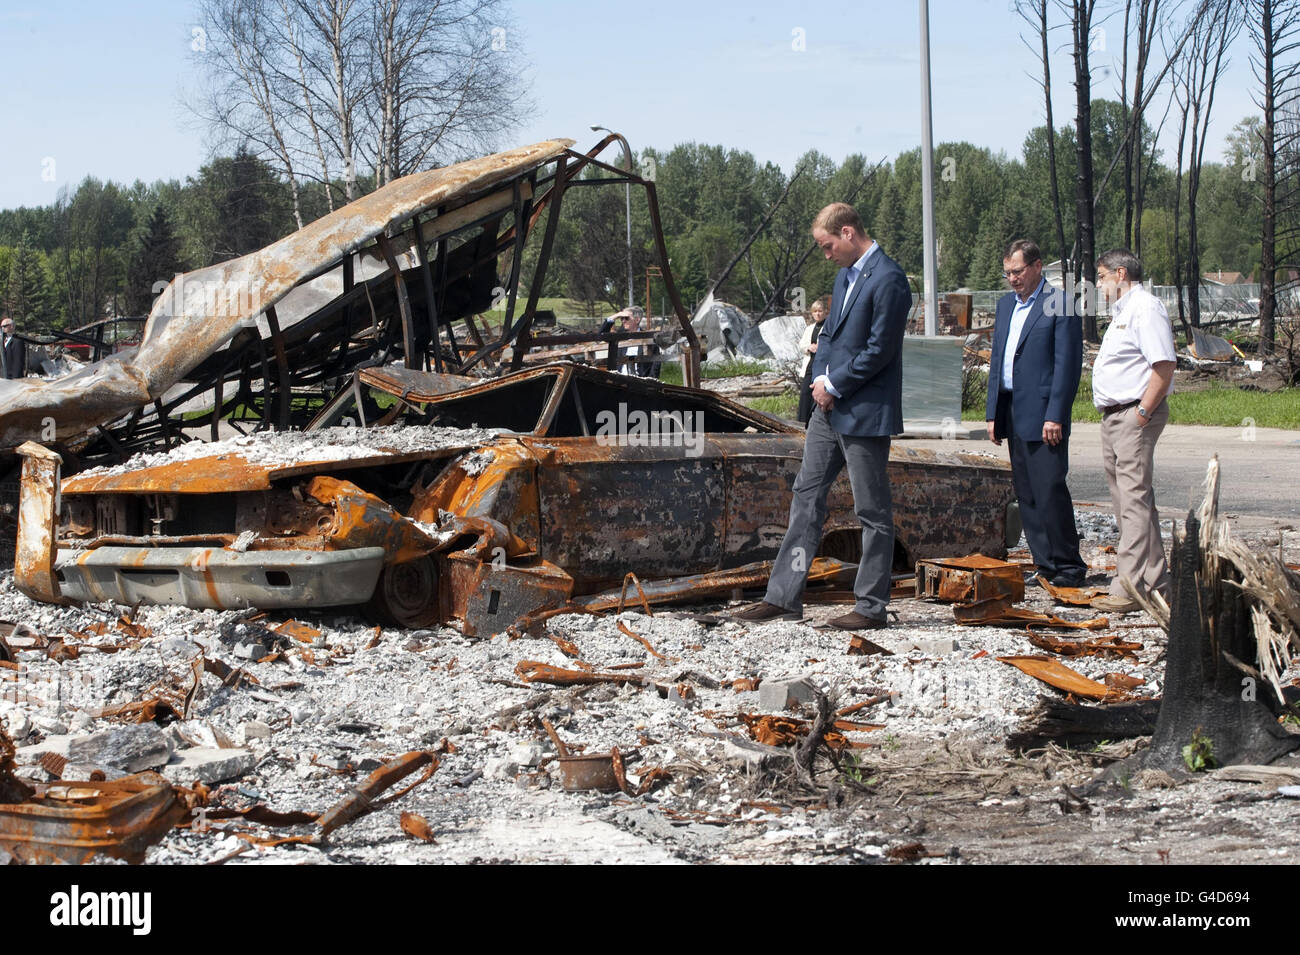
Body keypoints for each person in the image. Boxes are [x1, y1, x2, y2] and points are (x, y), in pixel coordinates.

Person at [733, 203, 910, 630]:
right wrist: (819, 381)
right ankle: (783, 598)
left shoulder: (889, 279)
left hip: (864, 413)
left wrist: (834, 384)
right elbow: (829, 336)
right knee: (806, 499)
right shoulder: (845, 276)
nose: (826, 254)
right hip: (827, 412)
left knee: (872, 512)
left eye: (828, 246)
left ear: (848, 233)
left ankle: (870, 607)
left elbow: (880, 350)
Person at [984, 239, 1087, 587]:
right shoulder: (1004, 306)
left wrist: (1055, 415)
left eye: (1018, 271)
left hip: (1045, 415)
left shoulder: (1061, 304)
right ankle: (1045, 565)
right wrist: (992, 414)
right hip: (1012, 410)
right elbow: (998, 360)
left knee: (1049, 490)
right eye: (1007, 273)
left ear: (1037, 266)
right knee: (1025, 493)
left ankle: (1069, 567)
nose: (1012, 278)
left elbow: (1067, 366)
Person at [1090, 249, 1177, 613]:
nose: (1098, 284)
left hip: (1133, 415)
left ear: (1120, 273)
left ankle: (1128, 587)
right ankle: (1157, 584)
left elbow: (1164, 364)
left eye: (1101, 276)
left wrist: (1142, 412)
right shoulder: (1123, 313)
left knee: (1134, 501)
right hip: (1116, 416)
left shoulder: (1145, 308)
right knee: (1130, 501)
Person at [796, 298, 828, 424]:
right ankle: (802, 421)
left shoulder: (828, 326)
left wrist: (820, 348)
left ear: (825, 312)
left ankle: (816, 421)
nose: (818, 314)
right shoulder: (809, 328)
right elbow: (801, 344)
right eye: (815, 311)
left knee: (818, 392)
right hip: (810, 362)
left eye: (820, 311)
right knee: (805, 392)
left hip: (822, 363)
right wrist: (809, 347)